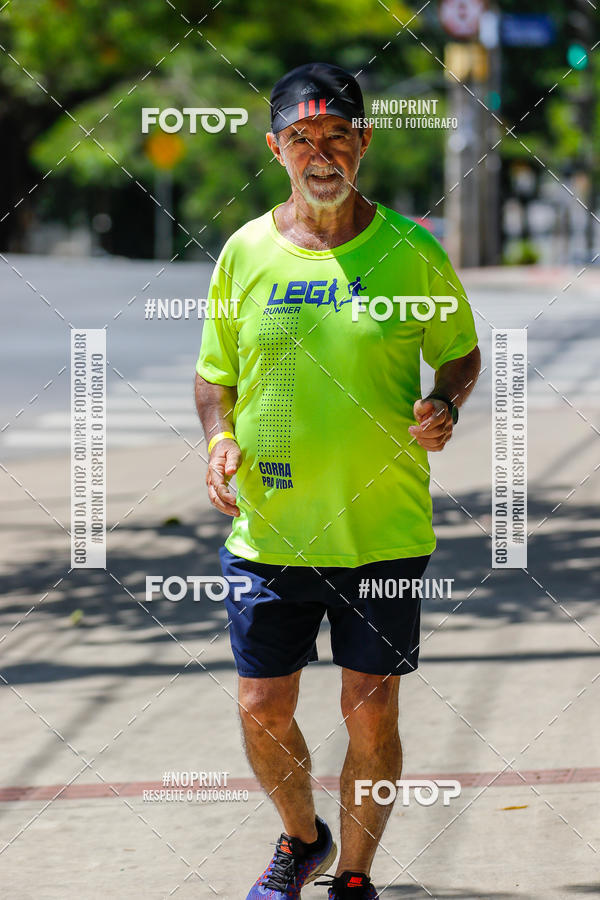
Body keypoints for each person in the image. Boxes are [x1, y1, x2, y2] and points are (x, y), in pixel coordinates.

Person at [194, 61, 481, 900]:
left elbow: (458, 354)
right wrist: (217, 440)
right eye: (302, 137)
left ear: (364, 141)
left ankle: (354, 873)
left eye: (337, 135)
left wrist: (443, 402)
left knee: (371, 710)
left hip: (381, 531)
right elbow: (216, 375)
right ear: (275, 147)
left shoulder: (410, 250)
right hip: (270, 528)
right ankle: (302, 838)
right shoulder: (244, 252)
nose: (322, 152)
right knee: (262, 708)